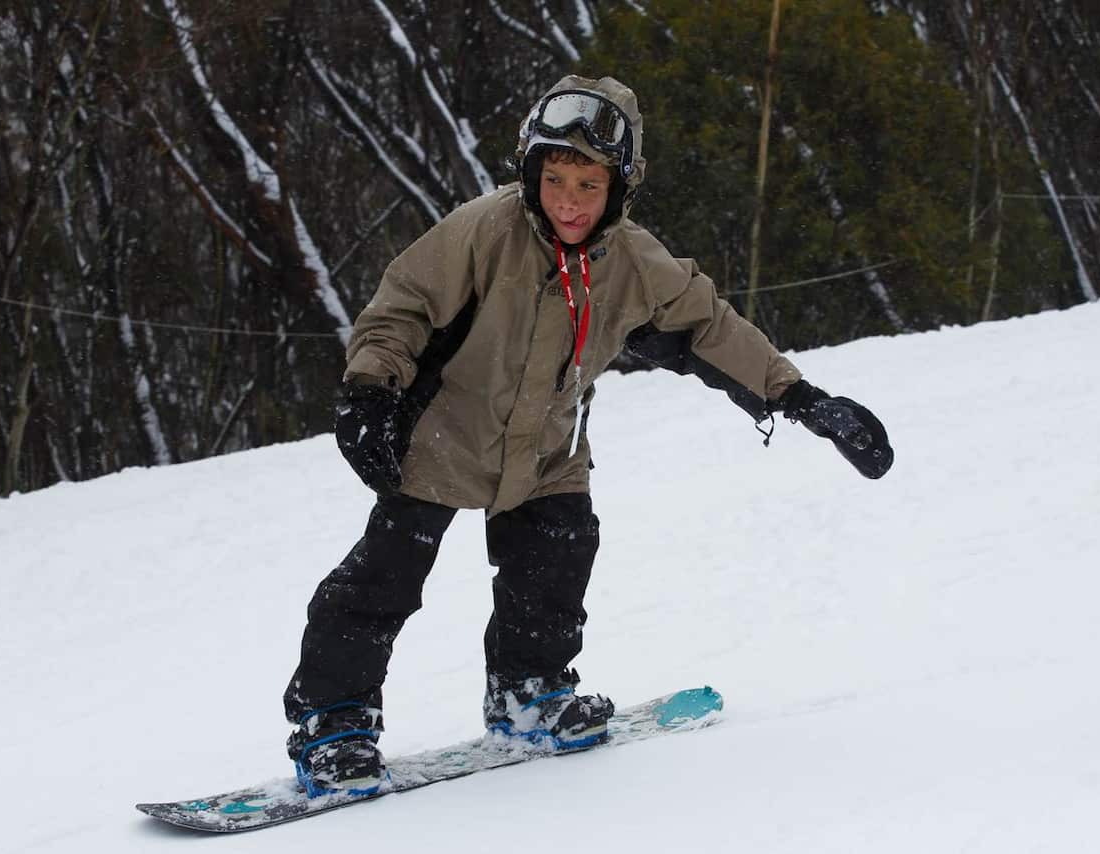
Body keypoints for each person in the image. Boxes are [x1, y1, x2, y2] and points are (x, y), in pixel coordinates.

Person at [283, 75, 893, 797]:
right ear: (531, 173)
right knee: (382, 580)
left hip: (547, 452)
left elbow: (709, 327)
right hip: (439, 441)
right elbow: (403, 307)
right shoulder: (483, 230)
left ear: (620, 189)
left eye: (589, 184)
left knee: (557, 563)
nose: (569, 199)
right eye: (555, 178)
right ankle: (335, 723)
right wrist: (369, 390)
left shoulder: (634, 262)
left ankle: (529, 690)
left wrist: (799, 397)